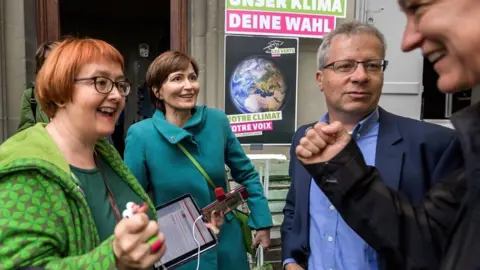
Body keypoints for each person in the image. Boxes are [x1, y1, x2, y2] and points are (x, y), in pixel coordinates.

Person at [294, 0, 480, 269]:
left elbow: (435, 250)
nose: (360, 76)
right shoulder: (305, 139)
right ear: (320, 79)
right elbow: (296, 212)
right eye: (345, 66)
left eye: (373, 65)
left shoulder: (438, 145)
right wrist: (290, 258)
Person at [0, 38, 208, 269]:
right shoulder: (25, 174)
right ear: (59, 92)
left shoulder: (103, 153)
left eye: (120, 85)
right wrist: (113, 260)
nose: (117, 96)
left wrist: (188, 230)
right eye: (101, 82)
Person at [124, 50, 273, 270]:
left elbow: (248, 175)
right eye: (177, 78)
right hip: (180, 246)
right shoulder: (141, 135)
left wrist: (262, 222)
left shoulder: (216, 121)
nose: (189, 86)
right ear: (157, 91)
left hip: (227, 242)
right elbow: (132, 199)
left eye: (192, 77)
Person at [17, 41, 59, 132]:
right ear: (40, 66)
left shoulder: (74, 92)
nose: (51, 65)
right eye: (46, 61)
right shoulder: (30, 95)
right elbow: (25, 132)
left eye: (55, 60)